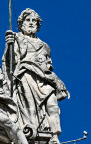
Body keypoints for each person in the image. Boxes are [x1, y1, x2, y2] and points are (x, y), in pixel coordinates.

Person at [5, 8, 68, 136]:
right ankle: (32, 132)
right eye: (28, 20)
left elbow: (48, 67)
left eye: (34, 21)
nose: (31, 23)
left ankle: (54, 136)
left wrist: (56, 80)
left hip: (44, 79)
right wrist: (9, 45)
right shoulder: (16, 38)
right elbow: (11, 62)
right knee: (30, 109)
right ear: (21, 23)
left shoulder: (45, 46)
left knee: (52, 105)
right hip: (26, 76)